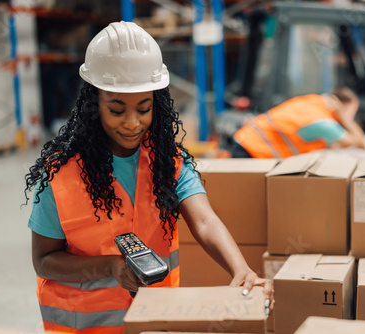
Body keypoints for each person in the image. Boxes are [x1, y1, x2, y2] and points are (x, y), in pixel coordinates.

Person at [24, 21, 273, 334]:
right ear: (93, 103)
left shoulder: (168, 163)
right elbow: (44, 260)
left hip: (153, 323)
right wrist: (110, 267)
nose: (132, 123)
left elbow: (205, 221)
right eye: (116, 109)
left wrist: (241, 269)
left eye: (144, 108)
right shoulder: (60, 175)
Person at [228, 87, 365, 158]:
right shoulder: (323, 122)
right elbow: (360, 144)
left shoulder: (314, 102)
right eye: (352, 112)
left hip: (246, 143)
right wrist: (345, 118)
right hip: (252, 151)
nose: (352, 116)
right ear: (341, 106)